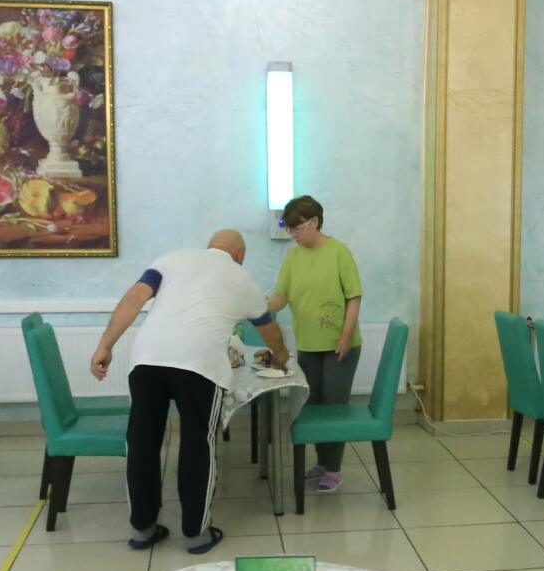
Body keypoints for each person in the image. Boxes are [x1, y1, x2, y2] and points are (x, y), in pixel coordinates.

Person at [90, 229, 289, 553]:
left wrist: (105, 346)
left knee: (142, 441)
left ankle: (143, 529)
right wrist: (281, 357)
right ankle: (196, 533)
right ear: (240, 255)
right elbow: (270, 330)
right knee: (198, 443)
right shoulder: (242, 278)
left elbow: (134, 298)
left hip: (147, 360)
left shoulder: (172, 259)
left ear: (209, 246)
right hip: (199, 365)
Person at [267, 195, 363, 493]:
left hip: (339, 346)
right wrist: (258, 308)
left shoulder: (338, 252)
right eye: (289, 229)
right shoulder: (293, 257)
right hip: (308, 344)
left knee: (334, 407)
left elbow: (353, 296)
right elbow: (281, 295)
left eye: (297, 228)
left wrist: (345, 335)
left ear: (315, 222)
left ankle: (333, 469)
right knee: (313, 406)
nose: (293, 235)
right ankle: (322, 463)